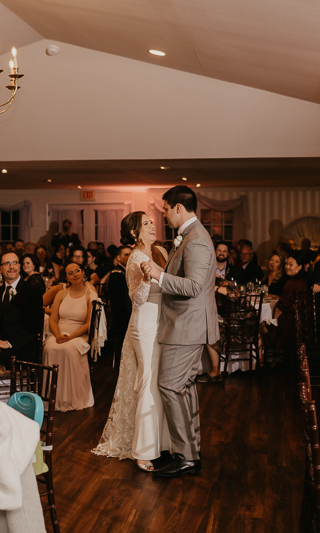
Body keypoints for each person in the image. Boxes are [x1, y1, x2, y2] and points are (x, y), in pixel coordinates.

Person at [140, 185, 219, 478]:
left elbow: (194, 286)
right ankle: (188, 451)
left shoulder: (196, 240)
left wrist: (159, 275)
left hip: (187, 326)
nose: (163, 215)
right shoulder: (189, 236)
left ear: (177, 208)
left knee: (170, 386)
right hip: (184, 324)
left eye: (165, 209)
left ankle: (186, 456)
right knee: (182, 387)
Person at [94, 215, 171, 470]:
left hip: (161, 323)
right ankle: (143, 451)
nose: (152, 226)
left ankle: (160, 442)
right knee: (148, 382)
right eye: (146, 224)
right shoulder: (135, 258)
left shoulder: (160, 250)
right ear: (134, 232)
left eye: (152, 222)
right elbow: (136, 299)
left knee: (157, 382)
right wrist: (148, 279)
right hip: (144, 326)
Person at [43, 261, 98, 411]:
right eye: (70, 273)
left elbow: (89, 324)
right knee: (49, 348)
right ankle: (53, 397)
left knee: (68, 350)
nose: (75, 275)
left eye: (77, 271)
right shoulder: (61, 294)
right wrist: (58, 335)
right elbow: (53, 320)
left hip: (79, 335)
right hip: (58, 333)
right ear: (66, 278)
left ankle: (71, 398)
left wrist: (70, 336)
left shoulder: (91, 294)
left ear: (83, 272)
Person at [0, 252, 45, 366]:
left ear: (19, 266)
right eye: (7, 263)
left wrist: (8, 343)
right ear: (0, 268)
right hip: (0, 348)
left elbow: (33, 328)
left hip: (22, 349)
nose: (11, 267)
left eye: (15, 263)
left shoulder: (32, 291)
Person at [268, 254, 320, 351]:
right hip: (304, 326)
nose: (287, 267)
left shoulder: (292, 284)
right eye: (286, 264)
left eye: (291, 264)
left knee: (261, 327)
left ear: (300, 266)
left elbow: (281, 306)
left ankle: (261, 362)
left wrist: (273, 321)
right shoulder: (304, 281)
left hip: (289, 325)